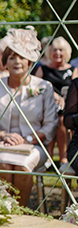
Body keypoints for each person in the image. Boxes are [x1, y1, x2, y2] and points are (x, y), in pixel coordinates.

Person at [0, 28, 57, 207]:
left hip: (34, 145)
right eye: (12, 57)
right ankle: (5, 211)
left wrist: (28, 138)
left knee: (22, 167)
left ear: (30, 62)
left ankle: (20, 213)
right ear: (5, 62)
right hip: (1, 145)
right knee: (4, 165)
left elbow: (51, 125)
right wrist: (2, 135)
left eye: (21, 57)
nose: (17, 61)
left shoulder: (44, 87)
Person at [34, 36, 78, 165]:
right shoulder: (43, 69)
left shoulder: (73, 70)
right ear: (49, 52)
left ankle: (63, 156)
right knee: (51, 117)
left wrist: (65, 99)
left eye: (60, 50)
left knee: (61, 119)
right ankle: (49, 155)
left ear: (66, 52)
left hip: (66, 106)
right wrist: (52, 94)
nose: (57, 53)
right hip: (46, 105)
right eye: (54, 50)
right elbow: (36, 87)